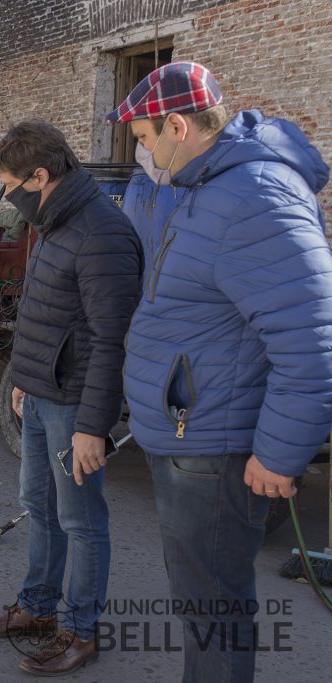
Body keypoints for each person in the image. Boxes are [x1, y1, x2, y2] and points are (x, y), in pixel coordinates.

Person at [108, 61, 332, 682]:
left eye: (146, 140)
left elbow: (311, 339)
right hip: (188, 430)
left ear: (177, 126)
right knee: (201, 599)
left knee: (213, 605)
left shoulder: (255, 196)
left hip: (211, 443)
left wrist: (281, 455)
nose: (143, 154)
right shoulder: (204, 185)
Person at [0, 120, 143, 676]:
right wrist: (21, 380)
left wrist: (95, 426)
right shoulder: (55, 222)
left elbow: (110, 340)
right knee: (39, 509)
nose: (10, 198)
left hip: (75, 407)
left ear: (40, 177)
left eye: (11, 185)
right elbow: (41, 315)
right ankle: (39, 610)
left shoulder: (103, 233)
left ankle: (81, 631)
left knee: (81, 521)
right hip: (42, 396)